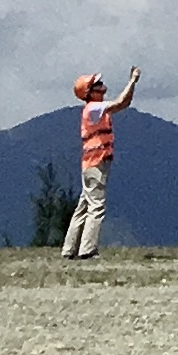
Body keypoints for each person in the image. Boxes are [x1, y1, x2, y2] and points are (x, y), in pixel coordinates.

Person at [62, 64, 138, 260]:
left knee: (84, 205)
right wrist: (132, 81)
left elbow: (124, 103)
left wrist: (132, 85)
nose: (102, 86)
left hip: (89, 164)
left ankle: (69, 249)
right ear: (90, 92)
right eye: (98, 84)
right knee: (96, 206)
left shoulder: (92, 109)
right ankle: (87, 250)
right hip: (97, 163)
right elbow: (121, 102)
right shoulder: (94, 108)